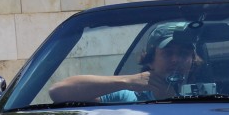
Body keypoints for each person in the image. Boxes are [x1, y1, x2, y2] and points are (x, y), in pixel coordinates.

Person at [48, 23, 200, 103]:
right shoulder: (130, 97)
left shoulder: (209, 97)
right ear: (151, 61)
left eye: (183, 53)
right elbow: (58, 92)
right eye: (167, 53)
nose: (175, 60)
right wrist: (128, 81)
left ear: (193, 61)